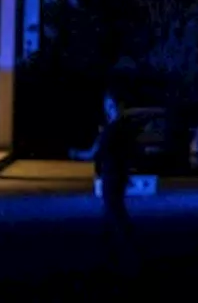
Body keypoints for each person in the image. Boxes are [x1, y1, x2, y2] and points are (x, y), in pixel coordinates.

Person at [70, 91, 138, 272]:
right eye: (107, 106)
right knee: (112, 213)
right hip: (119, 176)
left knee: (115, 213)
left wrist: (75, 153)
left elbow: (93, 153)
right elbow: (128, 152)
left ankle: (127, 255)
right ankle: (111, 254)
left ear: (120, 106)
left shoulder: (112, 130)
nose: (110, 110)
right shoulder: (124, 127)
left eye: (113, 105)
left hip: (111, 176)